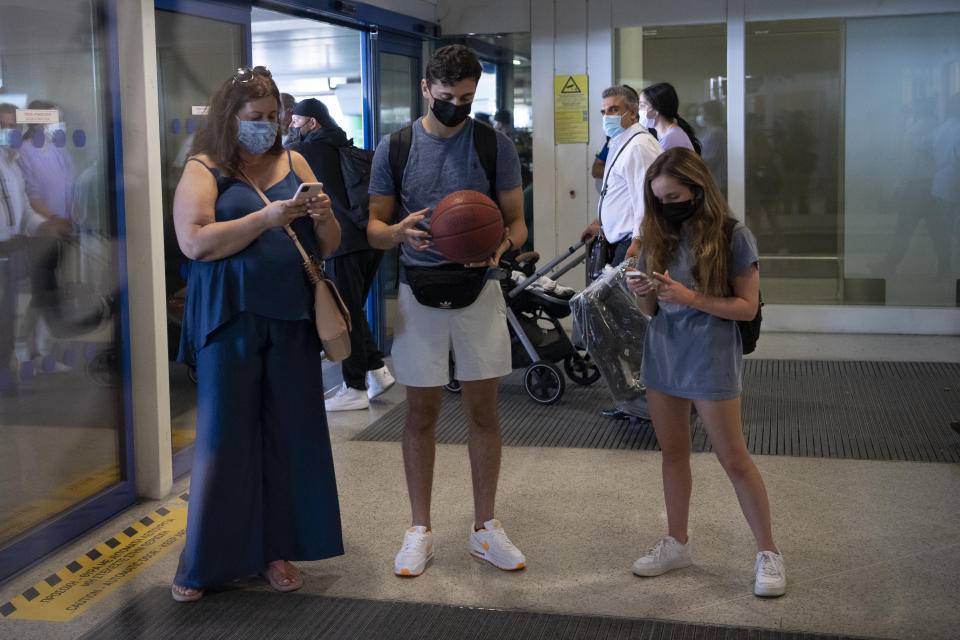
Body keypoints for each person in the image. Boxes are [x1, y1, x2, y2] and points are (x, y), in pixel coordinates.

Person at [170, 66, 344, 602]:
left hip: (291, 319)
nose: (267, 127)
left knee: (290, 438)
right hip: (230, 320)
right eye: (255, 118)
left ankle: (276, 550)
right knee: (225, 441)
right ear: (231, 117)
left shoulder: (296, 160)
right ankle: (203, 562)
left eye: (274, 117)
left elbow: (331, 245)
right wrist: (264, 220)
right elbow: (194, 243)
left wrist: (323, 215)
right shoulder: (205, 167)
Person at [367, 44, 528, 577]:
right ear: (426, 90)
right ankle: (419, 530)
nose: (458, 106)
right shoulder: (395, 148)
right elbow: (374, 228)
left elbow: (516, 221)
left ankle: (485, 529)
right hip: (418, 291)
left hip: (479, 289)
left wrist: (503, 245)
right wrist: (396, 233)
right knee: (420, 414)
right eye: (448, 97)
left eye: (467, 97)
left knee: (484, 413)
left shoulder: (493, 144)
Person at [625, 147, 786, 598]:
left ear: (697, 189)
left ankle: (768, 551)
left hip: (711, 354)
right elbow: (650, 309)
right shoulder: (658, 234)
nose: (668, 206)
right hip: (664, 354)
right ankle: (677, 542)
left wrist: (688, 296)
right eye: (659, 200)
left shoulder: (734, 236)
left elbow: (746, 307)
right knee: (672, 453)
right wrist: (642, 288)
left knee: (734, 458)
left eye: (674, 197)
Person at [286, 97, 394, 410]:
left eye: (295, 121)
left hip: (342, 245)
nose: (291, 127)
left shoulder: (303, 150)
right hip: (367, 241)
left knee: (345, 314)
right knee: (352, 311)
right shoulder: (342, 145)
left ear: (311, 123)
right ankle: (376, 370)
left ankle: (355, 388)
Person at [580, 85, 662, 420]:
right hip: (617, 238)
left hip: (633, 243)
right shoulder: (620, 142)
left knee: (633, 324)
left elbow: (647, 200)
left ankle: (650, 399)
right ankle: (631, 397)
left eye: (614, 110)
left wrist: (638, 243)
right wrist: (600, 220)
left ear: (632, 112)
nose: (607, 117)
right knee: (619, 322)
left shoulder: (641, 145)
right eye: (604, 111)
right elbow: (617, 191)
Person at [0, 104, 45, 390]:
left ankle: (4, 372)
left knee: (7, 316)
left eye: (15, 127)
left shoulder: (12, 164)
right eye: (4, 126)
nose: (11, 132)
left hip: (11, 250)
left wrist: (45, 225)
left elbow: (24, 209)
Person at [638, 83, 702, 155]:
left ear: (656, 110)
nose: (639, 109)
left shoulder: (670, 140)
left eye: (642, 105)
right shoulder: (671, 134)